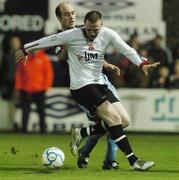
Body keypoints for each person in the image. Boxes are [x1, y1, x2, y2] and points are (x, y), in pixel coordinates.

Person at [15, 10, 160, 171]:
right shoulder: (72, 34)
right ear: (84, 25)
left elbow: (126, 49)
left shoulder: (108, 34)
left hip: (99, 83)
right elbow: (49, 40)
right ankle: (134, 161)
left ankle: (83, 132)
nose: (91, 33)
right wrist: (25, 49)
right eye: (88, 29)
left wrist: (141, 63)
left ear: (102, 25)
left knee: (124, 121)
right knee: (113, 119)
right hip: (82, 86)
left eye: (95, 30)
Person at [55, 2, 121, 169]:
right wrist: (67, 43)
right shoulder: (57, 37)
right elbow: (62, 57)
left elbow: (94, 52)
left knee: (115, 119)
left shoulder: (84, 30)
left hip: (101, 81)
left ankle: (110, 159)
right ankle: (84, 152)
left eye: (72, 13)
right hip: (84, 88)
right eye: (66, 14)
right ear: (59, 18)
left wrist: (106, 64)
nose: (71, 16)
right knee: (102, 125)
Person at [15, 50, 54, 133]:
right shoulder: (24, 59)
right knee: (25, 111)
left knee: (41, 111)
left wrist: (45, 87)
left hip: (39, 90)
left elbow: (48, 74)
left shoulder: (44, 58)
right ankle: (24, 130)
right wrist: (19, 87)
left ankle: (43, 130)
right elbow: (19, 74)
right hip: (26, 90)